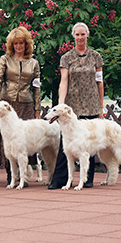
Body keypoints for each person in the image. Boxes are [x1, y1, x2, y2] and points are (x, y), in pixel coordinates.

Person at [48, 22, 104, 189]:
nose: (80, 37)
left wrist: (101, 107)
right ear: (73, 36)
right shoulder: (66, 58)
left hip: (91, 104)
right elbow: (63, 81)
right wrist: (61, 103)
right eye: (77, 34)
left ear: (87, 35)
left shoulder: (96, 56)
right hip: (72, 108)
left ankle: (87, 179)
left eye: (83, 34)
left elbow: (100, 82)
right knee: (66, 144)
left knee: (89, 142)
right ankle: (59, 179)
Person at [0, 26, 41, 187]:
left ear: (27, 44)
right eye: (16, 43)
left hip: (26, 104)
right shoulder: (5, 59)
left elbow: (37, 87)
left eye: (21, 43)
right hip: (7, 104)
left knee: (24, 141)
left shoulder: (33, 63)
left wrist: (37, 109)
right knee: (7, 141)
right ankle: (10, 175)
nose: (19, 46)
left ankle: (23, 176)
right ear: (11, 45)